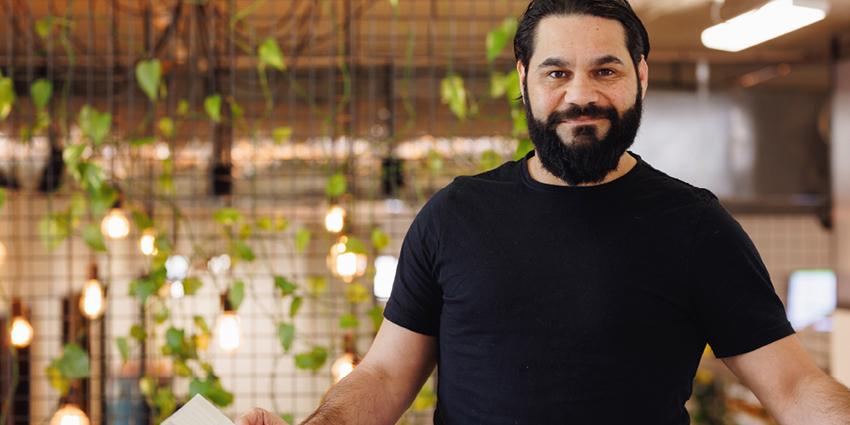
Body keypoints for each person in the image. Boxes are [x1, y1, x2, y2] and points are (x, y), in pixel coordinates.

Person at [238, 1, 850, 424]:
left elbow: (794, 386)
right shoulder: (454, 217)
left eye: (605, 70)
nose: (580, 94)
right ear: (524, 77)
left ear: (640, 76)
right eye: (557, 72)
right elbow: (384, 377)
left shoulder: (695, 226)